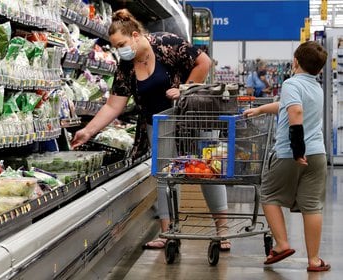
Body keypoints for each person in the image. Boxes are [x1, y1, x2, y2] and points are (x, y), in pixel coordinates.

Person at [71, 9, 231, 251]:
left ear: (135, 35)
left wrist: (186, 89)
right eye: (115, 47)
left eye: (122, 44)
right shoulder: (126, 67)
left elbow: (204, 62)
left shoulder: (167, 43)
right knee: (164, 177)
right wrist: (88, 131)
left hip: (192, 119)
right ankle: (168, 234)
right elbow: (114, 104)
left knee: (206, 173)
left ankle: (222, 231)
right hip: (158, 124)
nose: (120, 51)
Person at [243, 41, 330, 271]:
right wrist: (261, 109)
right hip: (318, 155)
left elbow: (295, 111)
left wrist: (297, 149)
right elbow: (288, 105)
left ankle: (282, 244)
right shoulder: (316, 87)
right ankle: (314, 260)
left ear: (295, 62)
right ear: (319, 69)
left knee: (269, 194)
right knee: (312, 206)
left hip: (291, 153)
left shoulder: (291, 82)